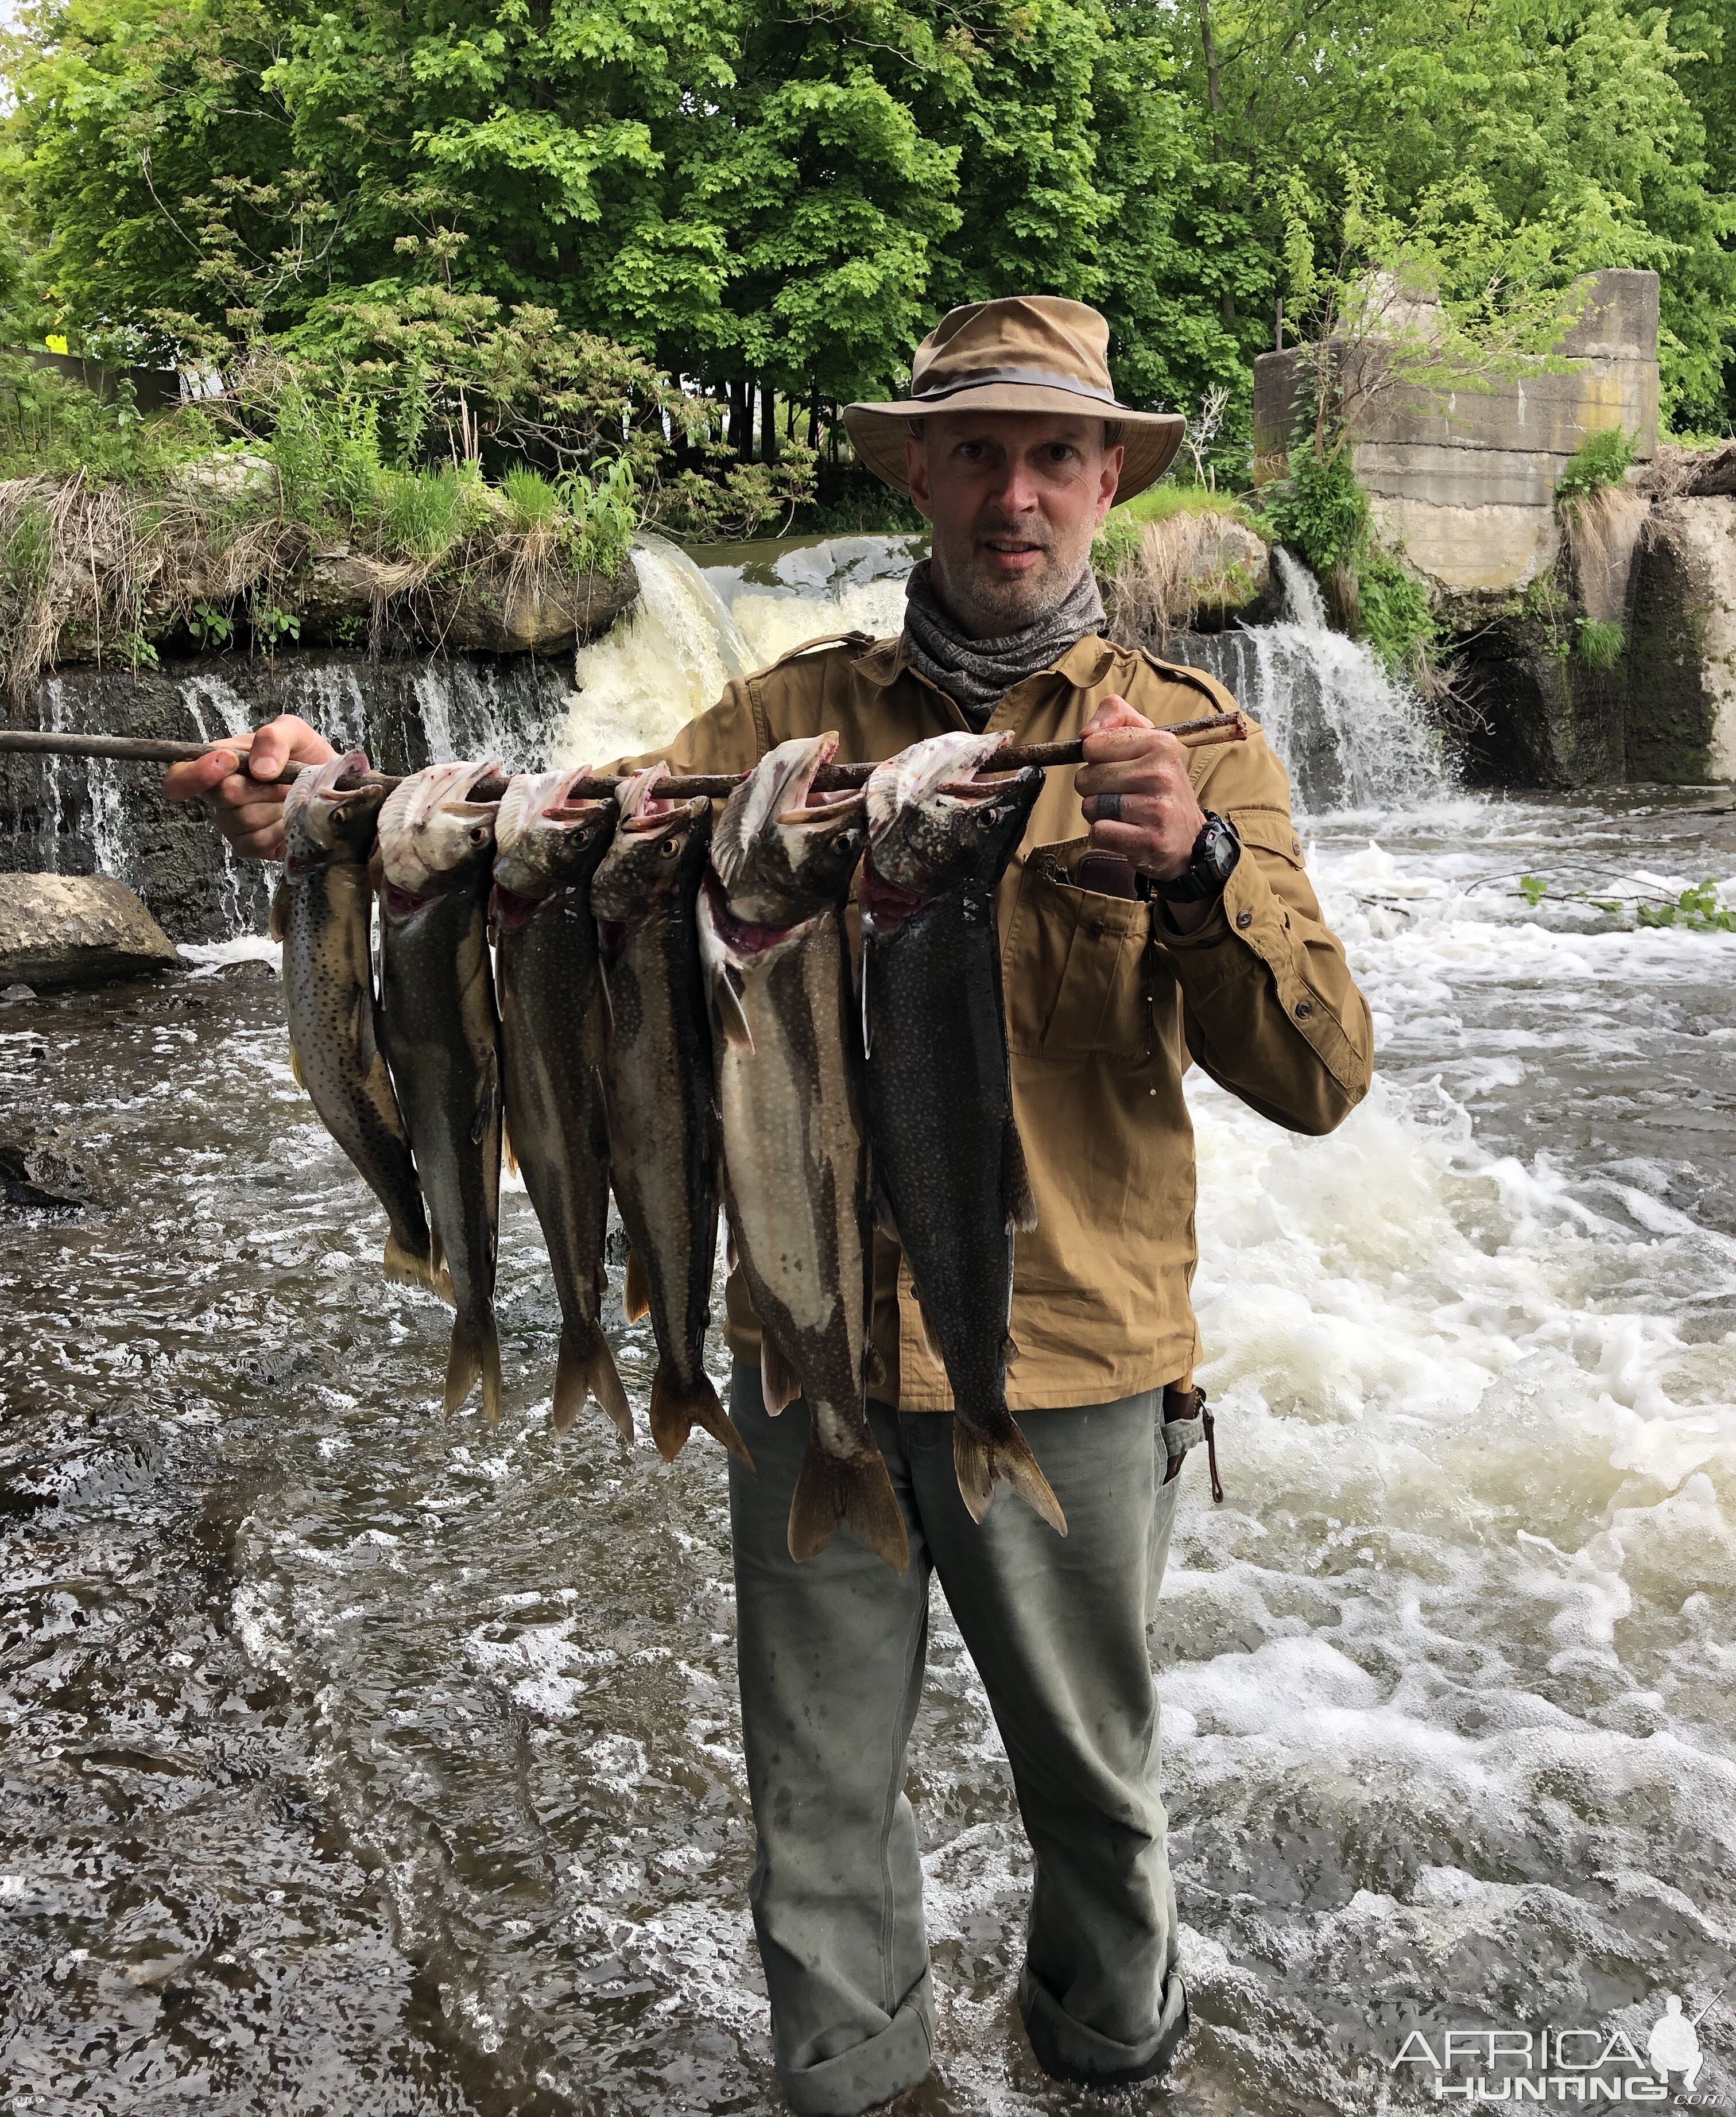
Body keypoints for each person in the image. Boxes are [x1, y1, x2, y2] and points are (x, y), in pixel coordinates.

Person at [166, 295, 1372, 2114]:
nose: (1017, 494)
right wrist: (332, 809)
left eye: (1058, 453)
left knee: (1097, 1795)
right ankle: (857, 2086)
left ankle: (1113, 2059)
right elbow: (557, 843)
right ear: (920, 476)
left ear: (1111, 480)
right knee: (813, 1809)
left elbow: (1321, 1071)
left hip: (1070, 1352)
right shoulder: (785, 723)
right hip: (801, 1349)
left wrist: (1197, 872)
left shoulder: (1193, 741)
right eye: (978, 451)